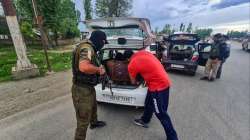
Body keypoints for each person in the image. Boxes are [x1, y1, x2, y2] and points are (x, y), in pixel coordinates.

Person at [128, 50, 178, 140]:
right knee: (148, 102)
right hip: (163, 80)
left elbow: (133, 82)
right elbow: (149, 66)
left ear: (127, 59)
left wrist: (134, 74)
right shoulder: (143, 53)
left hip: (158, 87)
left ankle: (172, 137)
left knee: (161, 113)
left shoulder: (131, 64)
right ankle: (145, 120)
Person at [71, 30, 108, 140]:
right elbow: (84, 67)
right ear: (99, 40)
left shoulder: (90, 47)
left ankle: (94, 122)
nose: (103, 45)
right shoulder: (87, 48)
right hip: (81, 90)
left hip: (88, 87)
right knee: (83, 119)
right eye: (103, 42)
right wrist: (98, 70)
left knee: (93, 106)